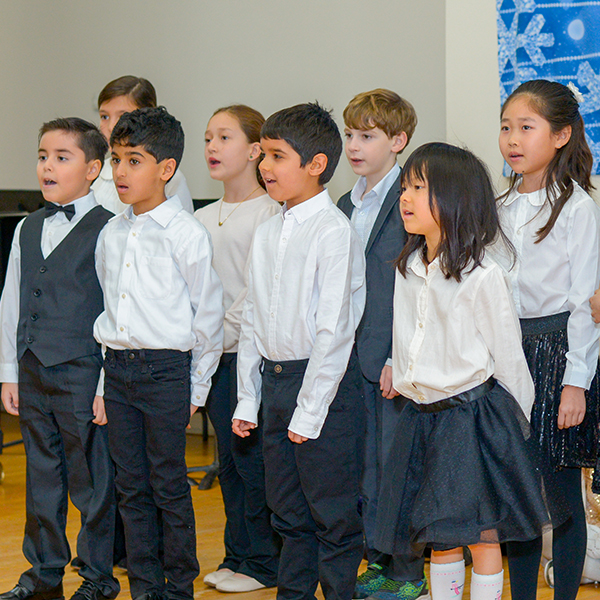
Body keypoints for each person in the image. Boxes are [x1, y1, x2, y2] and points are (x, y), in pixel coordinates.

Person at [375, 142, 562, 600]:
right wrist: (398, 371)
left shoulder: (482, 276)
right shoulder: (408, 267)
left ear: (456, 198)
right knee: (438, 536)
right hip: (420, 419)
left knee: (482, 535)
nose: (405, 198)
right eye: (404, 187)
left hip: (471, 421)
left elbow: (510, 360)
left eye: (419, 188)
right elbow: (407, 338)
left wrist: (513, 437)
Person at [232, 102, 366, 600]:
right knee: (286, 512)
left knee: (331, 515)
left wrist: (309, 411)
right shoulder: (267, 231)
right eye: (263, 155)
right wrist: (249, 399)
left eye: (277, 156)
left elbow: (334, 331)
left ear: (316, 165)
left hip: (323, 389)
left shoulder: (333, 232)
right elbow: (252, 322)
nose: (264, 166)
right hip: (276, 381)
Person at [93, 106, 224, 600]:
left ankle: (178, 585)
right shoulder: (112, 233)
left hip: (167, 372)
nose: (121, 172)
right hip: (120, 369)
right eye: (116, 160)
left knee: (168, 484)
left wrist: (197, 387)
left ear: (165, 169)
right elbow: (112, 316)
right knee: (131, 486)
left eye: (134, 160)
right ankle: (144, 584)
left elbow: (207, 318)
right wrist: (106, 383)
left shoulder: (185, 234)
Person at [0, 118, 119, 600]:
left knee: (92, 483)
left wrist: (105, 385)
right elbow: (10, 299)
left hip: (82, 369)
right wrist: (8, 370)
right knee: (41, 477)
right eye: (43, 155)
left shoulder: (110, 230)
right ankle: (43, 576)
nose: (47, 166)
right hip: (32, 368)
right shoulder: (28, 226)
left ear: (93, 169)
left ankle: (97, 578)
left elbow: (118, 312)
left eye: (61, 157)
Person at [497, 79, 600, 600]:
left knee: (559, 495)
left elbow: (585, 303)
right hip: (506, 354)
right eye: (506, 127)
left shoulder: (577, 208)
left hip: (557, 353)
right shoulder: (498, 205)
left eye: (526, 127)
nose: (513, 139)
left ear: (560, 136)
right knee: (515, 492)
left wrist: (576, 383)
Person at [335, 89, 425, 600]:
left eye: (367, 136)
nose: (355, 145)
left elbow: (415, 288)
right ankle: (380, 560)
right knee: (363, 467)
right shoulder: (347, 202)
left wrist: (399, 355)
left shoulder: (408, 200)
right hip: (350, 354)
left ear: (397, 141)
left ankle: (408, 572)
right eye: (350, 134)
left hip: (391, 358)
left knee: (397, 467)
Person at [194, 104, 280, 593]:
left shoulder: (269, 212)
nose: (211, 147)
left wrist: (216, 337)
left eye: (224, 137)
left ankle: (264, 561)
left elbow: (255, 293)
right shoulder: (202, 216)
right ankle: (237, 552)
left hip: (246, 355)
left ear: (253, 150)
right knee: (226, 462)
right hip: (209, 356)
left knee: (253, 463)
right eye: (208, 137)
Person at [92, 75, 194, 214]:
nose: (110, 127)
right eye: (104, 117)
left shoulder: (170, 178)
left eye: (123, 116)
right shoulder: (95, 172)